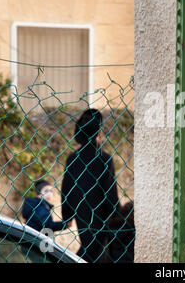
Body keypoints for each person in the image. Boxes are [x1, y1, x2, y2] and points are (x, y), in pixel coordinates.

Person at [61, 108, 119, 263]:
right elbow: (110, 191)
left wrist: (67, 214)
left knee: (89, 247)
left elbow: (66, 188)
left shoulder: (73, 158)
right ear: (99, 133)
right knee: (93, 250)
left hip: (82, 210)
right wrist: (116, 214)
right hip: (101, 213)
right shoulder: (104, 158)